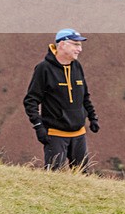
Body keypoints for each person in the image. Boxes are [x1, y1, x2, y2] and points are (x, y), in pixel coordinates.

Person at [23, 28, 100, 171]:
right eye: (76, 44)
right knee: (53, 177)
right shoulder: (43, 68)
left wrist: (93, 117)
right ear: (62, 44)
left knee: (84, 178)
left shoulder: (77, 66)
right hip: (55, 135)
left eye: (80, 45)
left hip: (79, 135)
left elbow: (85, 96)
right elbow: (31, 100)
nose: (80, 49)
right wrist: (38, 126)